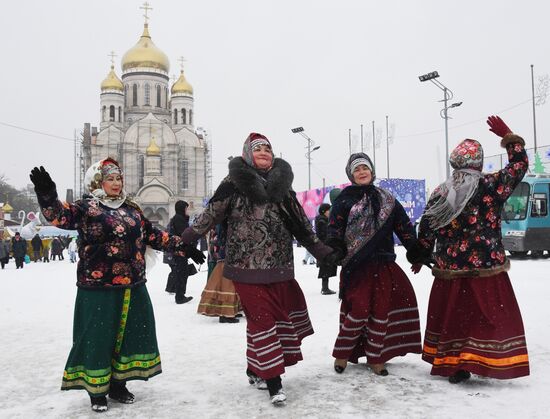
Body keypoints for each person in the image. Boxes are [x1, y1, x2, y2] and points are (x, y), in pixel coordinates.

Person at [29, 158, 204, 413]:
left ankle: (118, 383)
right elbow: (59, 216)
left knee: (129, 335)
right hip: (97, 286)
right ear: (98, 181)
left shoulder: (131, 209)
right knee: (98, 337)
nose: (115, 183)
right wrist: (47, 195)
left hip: (132, 284)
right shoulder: (86, 208)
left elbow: (154, 235)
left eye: (118, 178)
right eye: (109, 178)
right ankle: (97, 389)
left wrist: (184, 247)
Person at [180, 133, 342, 405]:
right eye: (258, 149)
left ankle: (254, 367)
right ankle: (273, 380)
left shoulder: (282, 187)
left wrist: (322, 251)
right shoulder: (233, 183)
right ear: (247, 154)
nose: (264, 152)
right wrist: (185, 238)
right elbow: (212, 213)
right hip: (245, 266)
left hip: (278, 266)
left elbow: (300, 225)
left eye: (268, 148)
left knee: (269, 320)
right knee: (263, 319)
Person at [407, 115, 530, 383]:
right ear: (479, 161)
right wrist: (509, 137)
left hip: (451, 267)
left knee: (455, 316)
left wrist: (421, 253)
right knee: (487, 315)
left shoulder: (441, 191)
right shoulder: (491, 184)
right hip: (486, 265)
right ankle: (485, 359)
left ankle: (455, 363)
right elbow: (519, 166)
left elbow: (428, 225)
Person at [327, 152, 422, 376]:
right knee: (358, 310)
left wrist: (416, 251)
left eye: (365, 168)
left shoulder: (387, 198)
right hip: (356, 266)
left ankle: (376, 357)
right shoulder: (344, 199)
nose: (362, 172)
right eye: (357, 169)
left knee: (381, 310)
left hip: (383, 264)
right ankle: (343, 354)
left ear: (372, 171)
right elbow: (334, 229)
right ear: (351, 174)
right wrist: (334, 249)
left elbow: (404, 228)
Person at [197, 225, 241, 323]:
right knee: (227, 284)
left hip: (231, 253)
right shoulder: (225, 221)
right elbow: (222, 237)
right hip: (228, 254)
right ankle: (226, 313)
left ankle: (232, 310)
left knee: (233, 283)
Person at [163, 200, 193, 304]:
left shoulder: (178, 218)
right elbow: (184, 234)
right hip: (179, 251)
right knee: (181, 273)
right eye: (186, 208)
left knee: (181, 272)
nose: (187, 210)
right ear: (182, 209)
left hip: (179, 251)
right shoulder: (179, 219)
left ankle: (180, 295)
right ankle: (180, 296)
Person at [315, 203, 337, 295]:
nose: (330, 211)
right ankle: (325, 288)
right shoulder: (322, 221)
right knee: (325, 267)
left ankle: (325, 287)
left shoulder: (324, 220)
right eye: (328, 210)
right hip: (325, 247)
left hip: (325, 246)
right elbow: (323, 234)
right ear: (324, 211)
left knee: (327, 267)